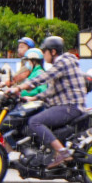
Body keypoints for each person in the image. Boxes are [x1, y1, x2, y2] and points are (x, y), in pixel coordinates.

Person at [27, 35, 86, 167]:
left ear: (53, 52)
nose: (43, 55)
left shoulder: (64, 61)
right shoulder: (63, 63)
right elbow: (51, 91)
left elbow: (44, 78)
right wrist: (33, 98)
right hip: (69, 106)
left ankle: (61, 152)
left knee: (35, 121)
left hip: (70, 107)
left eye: (45, 51)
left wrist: (20, 87)